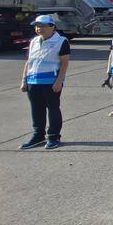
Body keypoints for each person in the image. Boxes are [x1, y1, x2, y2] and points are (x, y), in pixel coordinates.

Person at [19, 15, 70, 150]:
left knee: (53, 109)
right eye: (37, 26)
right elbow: (29, 62)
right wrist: (24, 80)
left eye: (42, 26)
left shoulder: (61, 41)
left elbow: (64, 63)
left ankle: (54, 136)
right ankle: (38, 135)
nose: (39, 29)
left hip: (51, 82)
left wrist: (59, 81)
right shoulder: (34, 41)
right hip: (33, 81)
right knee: (36, 110)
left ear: (52, 27)